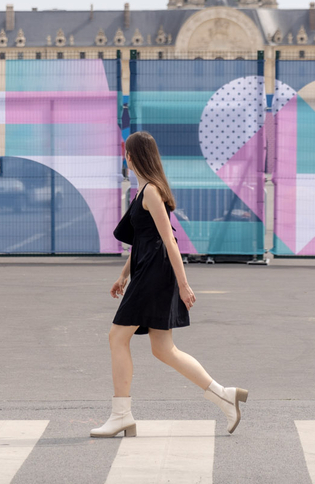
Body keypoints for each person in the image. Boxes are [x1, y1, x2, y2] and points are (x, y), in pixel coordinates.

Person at [91, 131, 248, 437]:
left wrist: (184, 284)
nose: (125, 157)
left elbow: (169, 241)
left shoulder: (150, 191)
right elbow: (143, 241)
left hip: (155, 275)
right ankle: (224, 396)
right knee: (164, 350)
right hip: (147, 271)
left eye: (126, 153)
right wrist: (124, 274)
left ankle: (121, 414)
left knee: (116, 337)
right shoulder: (144, 191)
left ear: (132, 157)